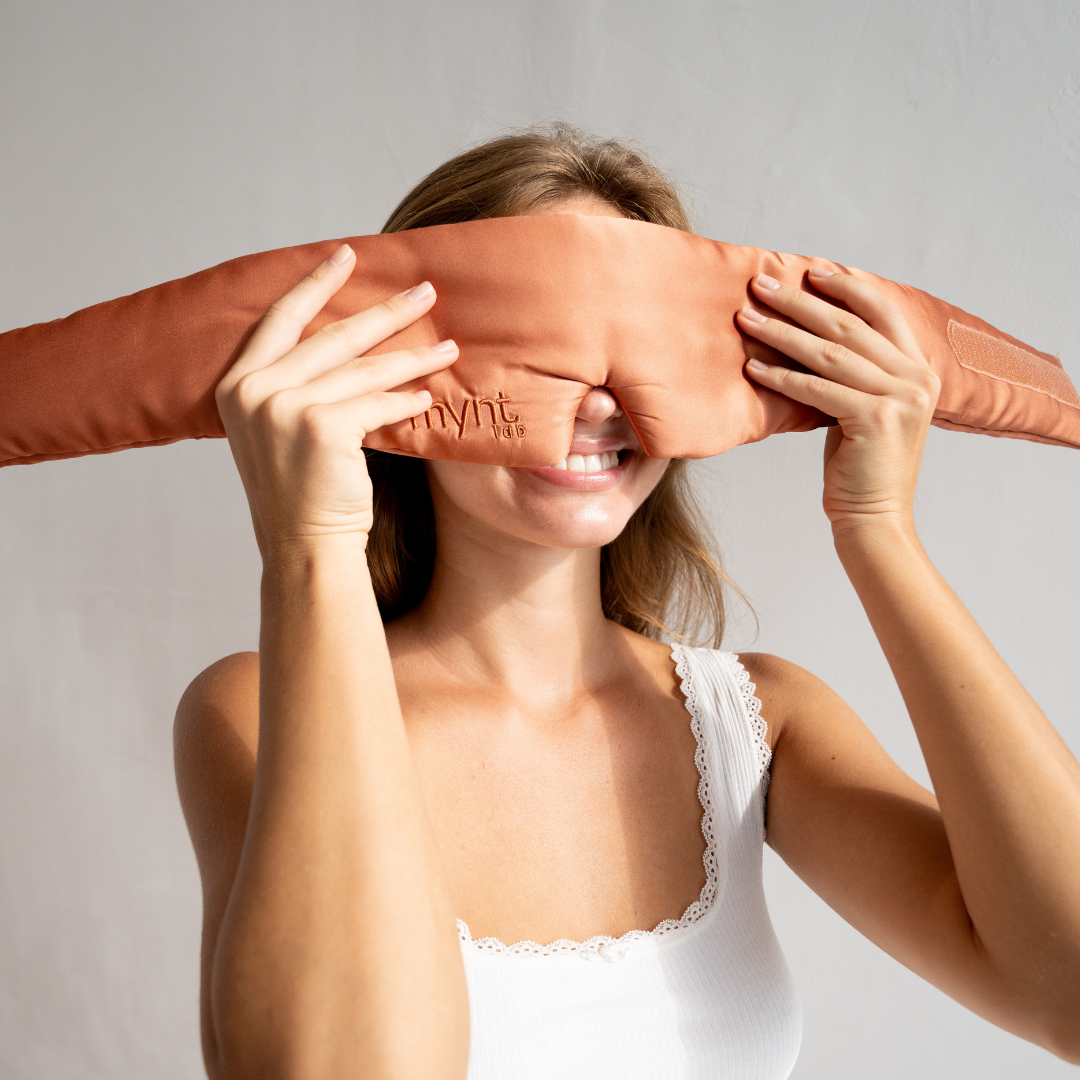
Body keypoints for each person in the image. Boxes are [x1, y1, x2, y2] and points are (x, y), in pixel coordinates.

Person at [173, 125, 1080, 1080]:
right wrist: (311, 547)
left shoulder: (754, 723)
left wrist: (879, 526)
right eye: (536, 345)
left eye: (639, 345)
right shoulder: (252, 713)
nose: (598, 403)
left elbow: (1066, 992)